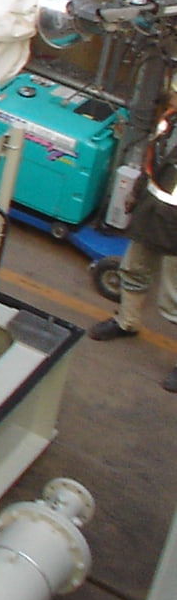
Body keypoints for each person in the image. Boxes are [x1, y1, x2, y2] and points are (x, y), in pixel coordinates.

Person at [89, 112, 177, 392]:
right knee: (133, 270)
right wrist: (137, 193)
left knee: (173, 298)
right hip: (152, 215)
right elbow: (153, 161)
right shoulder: (170, 120)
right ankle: (126, 322)